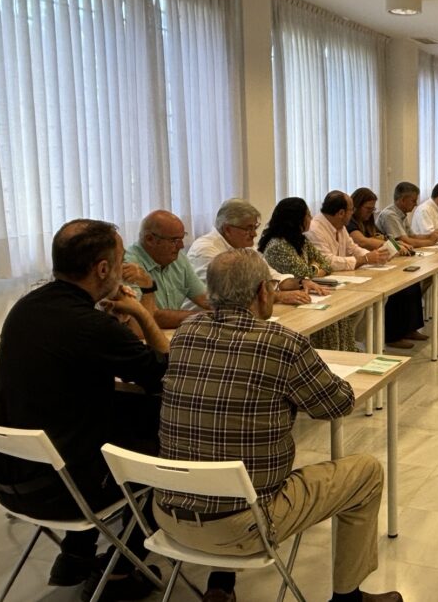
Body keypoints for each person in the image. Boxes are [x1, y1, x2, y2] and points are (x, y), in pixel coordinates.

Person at [154, 249, 402, 602]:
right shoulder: (283, 343)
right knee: (366, 471)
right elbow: (337, 404)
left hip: (167, 517)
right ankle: (348, 599)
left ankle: (220, 585)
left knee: (222, 450)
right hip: (243, 526)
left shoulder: (185, 333)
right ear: (262, 292)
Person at [0, 219, 168, 600]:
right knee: (167, 444)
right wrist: (140, 312)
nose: (122, 269)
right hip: (59, 491)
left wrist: (112, 329)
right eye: (119, 262)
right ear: (103, 269)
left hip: (9, 476)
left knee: (126, 418)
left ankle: (78, 550)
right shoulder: (90, 325)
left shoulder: (26, 306)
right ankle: (119, 571)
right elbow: (163, 375)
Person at [310, 190, 427, 350]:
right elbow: (328, 261)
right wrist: (365, 259)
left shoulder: (340, 225)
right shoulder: (316, 228)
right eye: (351, 209)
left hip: (344, 277)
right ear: (341, 213)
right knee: (362, 304)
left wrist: (375, 256)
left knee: (378, 298)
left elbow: (353, 248)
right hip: (326, 282)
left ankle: (362, 343)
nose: (353, 213)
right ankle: (354, 344)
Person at [260, 198, 358, 352]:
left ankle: (346, 355)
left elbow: (325, 264)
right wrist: (314, 267)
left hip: (301, 293)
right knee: (328, 318)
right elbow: (306, 273)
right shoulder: (277, 245)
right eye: (307, 215)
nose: (311, 219)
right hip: (287, 301)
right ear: (296, 219)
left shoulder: (301, 240)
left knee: (338, 314)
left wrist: (313, 268)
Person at [187, 198, 326, 305]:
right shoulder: (205, 249)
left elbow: (270, 274)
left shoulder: (244, 246)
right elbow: (226, 297)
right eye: (248, 228)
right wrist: (279, 296)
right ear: (228, 229)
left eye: (255, 227)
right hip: (205, 319)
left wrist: (301, 282)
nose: (254, 234)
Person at [124, 210, 210, 329]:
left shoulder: (178, 259)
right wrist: (206, 317)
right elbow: (146, 316)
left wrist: (230, 311)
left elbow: (204, 298)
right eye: (174, 241)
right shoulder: (129, 266)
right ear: (149, 239)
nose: (181, 246)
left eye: (182, 238)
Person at [378, 182, 438, 249]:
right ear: (403, 200)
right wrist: (430, 241)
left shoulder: (401, 213)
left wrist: (432, 236)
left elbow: (412, 236)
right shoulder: (390, 215)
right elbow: (406, 241)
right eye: (413, 201)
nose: (416, 204)